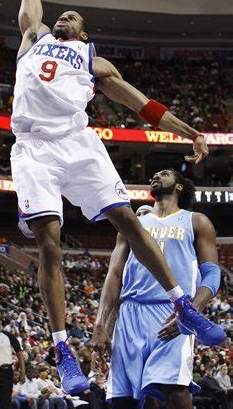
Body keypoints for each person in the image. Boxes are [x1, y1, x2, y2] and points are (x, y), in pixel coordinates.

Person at [10, 0, 222, 394]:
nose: (64, 17)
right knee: (48, 242)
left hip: (77, 143)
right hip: (33, 149)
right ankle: (63, 350)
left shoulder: (94, 61)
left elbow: (142, 106)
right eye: (62, 15)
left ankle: (182, 304)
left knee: (128, 219)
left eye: (74, 18)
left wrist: (192, 132)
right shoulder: (33, 37)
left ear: (85, 35)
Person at [92, 169, 226, 408]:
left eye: (164, 173)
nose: (155, 176)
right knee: (124, 400)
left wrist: (190, 313)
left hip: (172, 311)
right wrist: (101, 325)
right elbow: (114, 275)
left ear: (179, 187)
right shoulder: (132, 223)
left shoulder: (196, 220)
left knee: (174, 389)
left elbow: (213, 274)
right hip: (130, 313)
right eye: (153, 174)